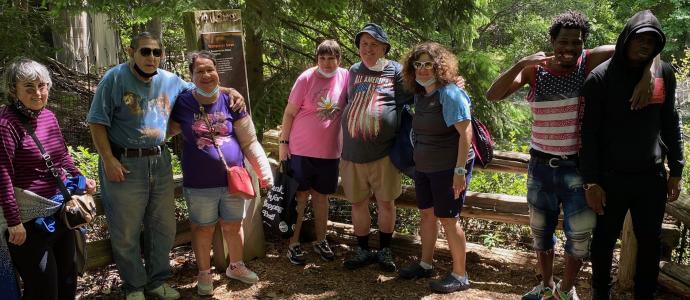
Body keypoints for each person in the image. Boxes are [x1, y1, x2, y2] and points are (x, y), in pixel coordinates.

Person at [485, 11, 653, 300]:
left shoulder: (590, 60)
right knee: (540, 233)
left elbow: (642, 45)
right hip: (540, 167)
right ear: (552, 41)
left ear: (583, 43)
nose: (569, 49)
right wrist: (520, 63)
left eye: (576, 42)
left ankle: (565, 289)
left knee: (579, 238)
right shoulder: (534, 71)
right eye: (563, 42)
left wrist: (648, 73)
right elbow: (493, 94)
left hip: (580, 168)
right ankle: (546, 285)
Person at [87, 32, 244, 300]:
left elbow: (202, 87)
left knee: (162, 227)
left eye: (156, 52)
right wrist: (108, 159)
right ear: (131, 51)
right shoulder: (114, 79)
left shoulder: (170, 81)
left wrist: (228, 90)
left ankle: (157, 282)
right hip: (124, 162)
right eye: (145, 51)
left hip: (159, 161)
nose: (151, 57)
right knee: (126, 229)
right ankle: (134, 286)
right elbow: (96, 121)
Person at [580, 10, 683, 299]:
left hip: (650, 178)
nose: (645, 46)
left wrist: (676, 169)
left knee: (650, 243)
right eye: (640, 39)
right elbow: (588, 136)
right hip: (609, 179)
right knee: (602, 242)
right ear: (626, 39)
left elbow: (670, 122)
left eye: (652, 41)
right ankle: (601, 293)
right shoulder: (599, 79)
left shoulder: (662, 73)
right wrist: (591, 182)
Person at [167, 50, 273, 296]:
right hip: (199, 182)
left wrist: (264, 172)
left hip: (233, 179)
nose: (206, 74)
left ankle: (236, 266)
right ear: (191, 75)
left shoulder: (232, 101)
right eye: (199, 71)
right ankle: (204, 273)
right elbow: (165, 130)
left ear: (218, 72)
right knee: (202, 228)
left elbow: (249, 141)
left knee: (234, 225)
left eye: (210, 69)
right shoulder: (182, 102)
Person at [0, 58, 97, 299]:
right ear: (14, 90)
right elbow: (2, 175)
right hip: (28, 220)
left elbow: (62, 156)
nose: (38, 92)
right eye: (29, 87)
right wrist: (14, 221)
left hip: (60, 212)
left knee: (67, 280)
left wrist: (81, 179)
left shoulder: (48, 117)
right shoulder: (5, 124)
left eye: (42, 86)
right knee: (43, 289)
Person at [397, 42, 475, 293]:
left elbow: (466, 134)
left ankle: (460, 275)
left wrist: (459, 171)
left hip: (448, 169)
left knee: (449, 219)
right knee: (427, 215)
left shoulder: (449, 93)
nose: (422, 69)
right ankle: (425, 264)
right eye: (417, 64)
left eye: (428, 64)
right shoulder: (421, 93)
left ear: (439, 66)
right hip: (425, 167)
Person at [341, 23, 413, 272]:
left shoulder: (395, 70)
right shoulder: (352, 70)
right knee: (357, 203)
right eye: (364, 44)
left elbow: (418, 95)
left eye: (373, 44)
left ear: (384, 47)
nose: (368, 49)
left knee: (386, 203)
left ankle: (384, 250)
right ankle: (362, 250)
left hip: (384, 154)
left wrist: (451, 83)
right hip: (352, 154)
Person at [278, 40, 348, 265]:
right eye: (322, 58)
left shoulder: (346, 76)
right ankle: (293, 243)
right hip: (300, 150)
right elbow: (289, 113)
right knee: (300, 197)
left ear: (339, 59)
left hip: (329, 152)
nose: (327, 63)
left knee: (321, 198)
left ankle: (321, 240)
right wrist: (283, 142)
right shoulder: (306, 78)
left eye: (332, 58)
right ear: (317, 59)